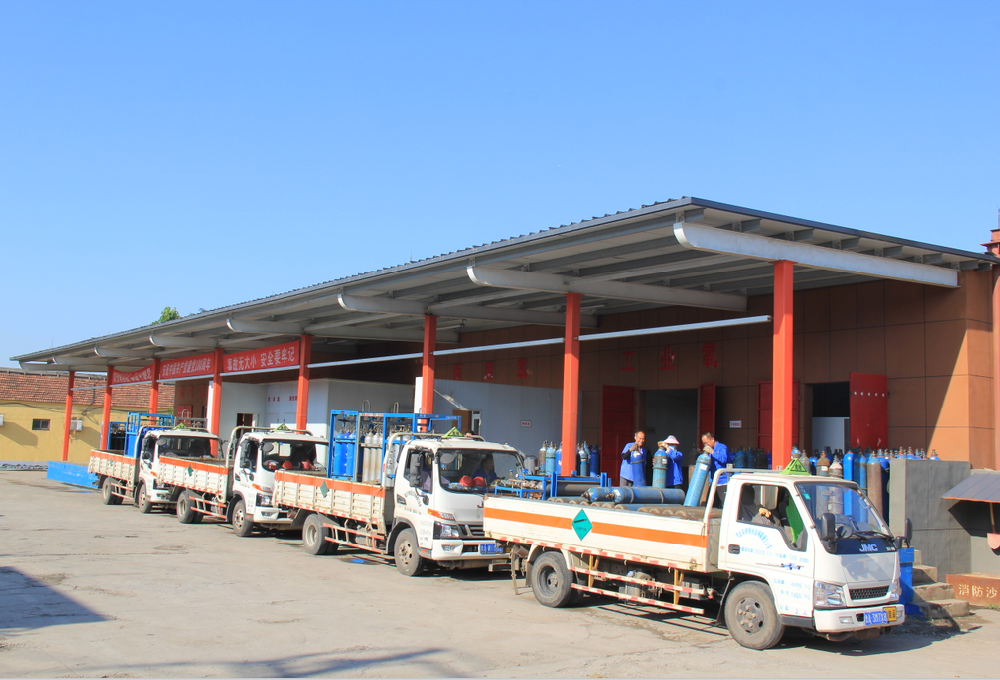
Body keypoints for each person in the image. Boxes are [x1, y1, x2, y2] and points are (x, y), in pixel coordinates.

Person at [702, 431, 731, 505]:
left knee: (725, 504)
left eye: (707, 443)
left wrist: (712, 452)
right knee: (710, 504)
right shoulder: (709, 452)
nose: (706, 445)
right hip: (714, 481)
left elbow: (723, 459)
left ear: (712, 439)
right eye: (704, 443)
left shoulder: (722, 447)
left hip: (723, 481)